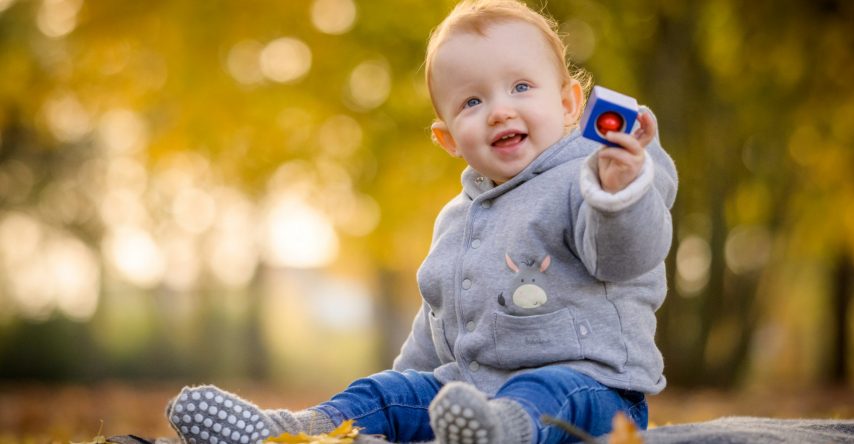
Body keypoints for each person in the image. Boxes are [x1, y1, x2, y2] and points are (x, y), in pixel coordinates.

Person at [165, 0, 678, 443]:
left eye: (521, 86)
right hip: (472, 392)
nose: (500, 110)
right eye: (473, 102)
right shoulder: (458, 221)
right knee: (383, 392)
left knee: (547, 392)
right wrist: (403, 397)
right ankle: (296, 431)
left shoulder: (592, 176)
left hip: (595, 389)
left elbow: (627, 256)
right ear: (449, 138)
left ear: (568, 103)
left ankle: (501, 432)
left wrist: (620, 192)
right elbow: (437, 326)